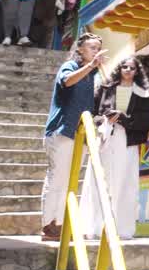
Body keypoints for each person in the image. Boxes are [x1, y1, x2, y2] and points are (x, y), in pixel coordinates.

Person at [40, 32, 107, 241]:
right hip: (62, 130)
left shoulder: (94, 75)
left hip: (81, 133)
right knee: (57, 178)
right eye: (91, 47)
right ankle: (48, 224)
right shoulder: (70, 66)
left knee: (70, 180)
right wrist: (91, 66)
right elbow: (67, 82)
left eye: (98, 48)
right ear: (80, 49)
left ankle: (60, 223)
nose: (95, 51)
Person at [80, 56, 149, 240]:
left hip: (127, 141)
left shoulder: (144, 93)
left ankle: (122, 229)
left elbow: (146, 120)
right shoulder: (106, 89)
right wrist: (104, 120)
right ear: (119, 69)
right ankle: (92, 227)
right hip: (105, 138)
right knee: (97, 181)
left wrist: (123, 118)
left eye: (132, 68)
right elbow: (92, 113)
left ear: (137, 72)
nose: (128, 70)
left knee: (125, 184)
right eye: (124, 66)